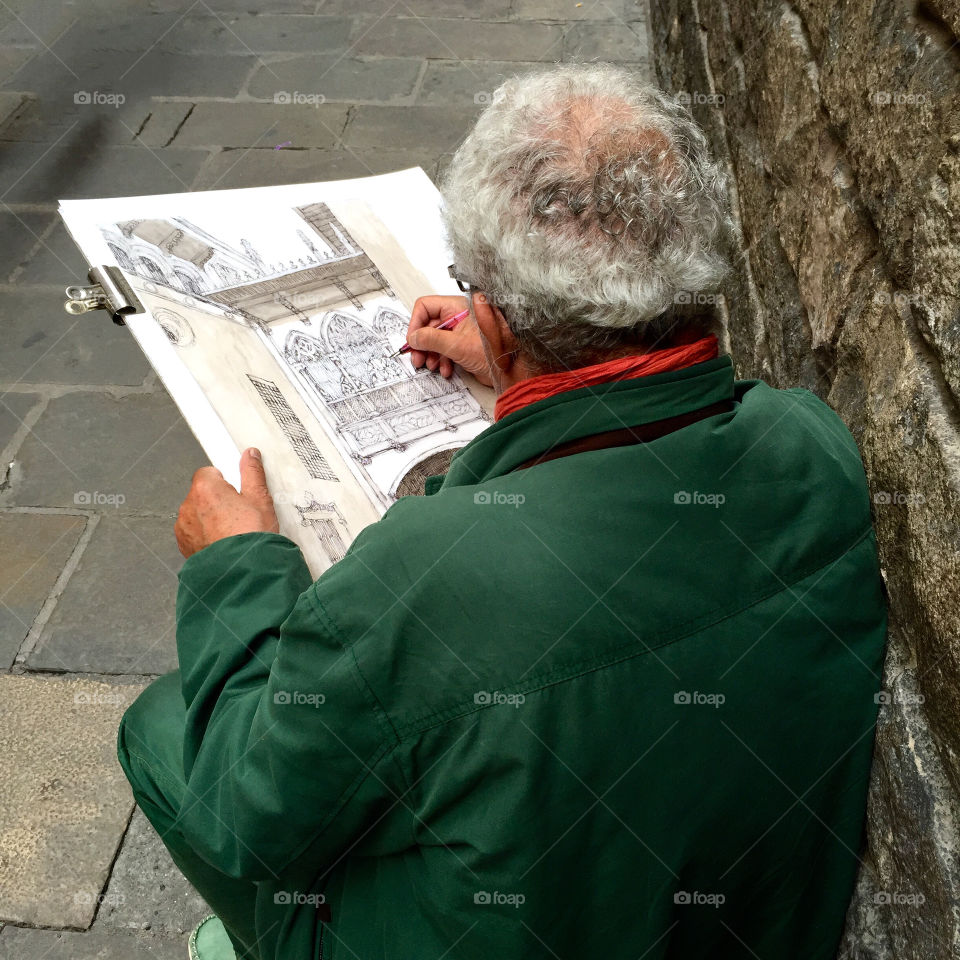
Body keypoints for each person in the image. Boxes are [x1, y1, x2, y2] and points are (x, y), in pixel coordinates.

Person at [118, 64, 888, 960]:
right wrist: (538, 369)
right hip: (740, 924)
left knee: (166, 729)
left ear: (506, 314)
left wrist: (233, 567)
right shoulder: (812, 446)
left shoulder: (428, 575)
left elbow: (246, 816)